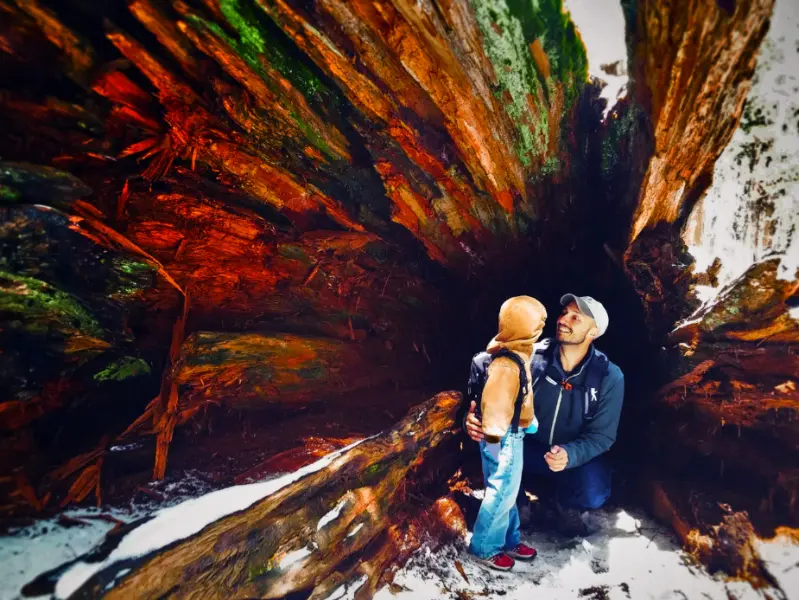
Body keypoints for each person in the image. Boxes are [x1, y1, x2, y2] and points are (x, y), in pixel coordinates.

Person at [464, 294, 625, 537]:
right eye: (564, 313)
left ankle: (565, 504)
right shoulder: (530, 355)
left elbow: (602, 436)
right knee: (492, 443)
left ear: (593, 332)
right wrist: (473, 419)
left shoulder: (608, 377)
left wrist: (571, 454)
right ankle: (515, 503)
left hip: (569, 457)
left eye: (575, 318)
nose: (563, 320)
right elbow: (490, 383)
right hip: (525, 449)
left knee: (595, 490)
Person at [466, 296, 546, 571]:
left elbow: (521, 397)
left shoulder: (520, 357)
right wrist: (495, 438)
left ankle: (508, 539)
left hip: (512, 434)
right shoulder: (505, 364)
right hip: (502, 438)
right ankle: (485, 546)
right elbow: (497, 403)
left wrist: (528, 420)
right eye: (539, 323)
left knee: (508, 493)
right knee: (501, 492)